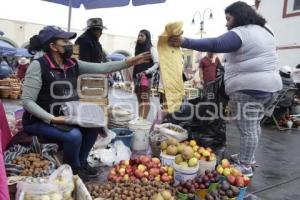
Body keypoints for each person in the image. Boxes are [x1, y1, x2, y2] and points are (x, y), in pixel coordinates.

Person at [169, 1, 282, 176]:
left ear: (239, 16)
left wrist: (185, 41)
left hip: (249, 89)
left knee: (247, 128)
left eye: (229, 19)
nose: (226, 23)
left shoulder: (242, 33)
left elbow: (215, 44)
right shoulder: (266, 31)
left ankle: (245, 165)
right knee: (253, 125)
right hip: (271, 87)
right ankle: (248, 157)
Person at [22, 26, 151, 180]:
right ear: (53, 46)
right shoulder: (38, 66)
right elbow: (27, 101)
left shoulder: (72, 64)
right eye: (65, 41)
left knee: (94, 126)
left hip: (65, 117)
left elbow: (102, 67)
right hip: (39, 120)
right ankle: (73, 168)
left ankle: (82, 163)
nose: (70, 44)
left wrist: (128, 62)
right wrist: (52, 118)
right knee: (74, 135)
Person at [133, 29, 159, 119]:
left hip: (146, 78)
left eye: (142, 36)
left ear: (147, 37)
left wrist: (146, 71)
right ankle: (139, 118)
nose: (139, 37)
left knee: (145, 99)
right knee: (139, 99)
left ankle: (143, 120)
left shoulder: (152, 49)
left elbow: (156, 64)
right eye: (139, 35)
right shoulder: (137, 49)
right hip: (136, 78)